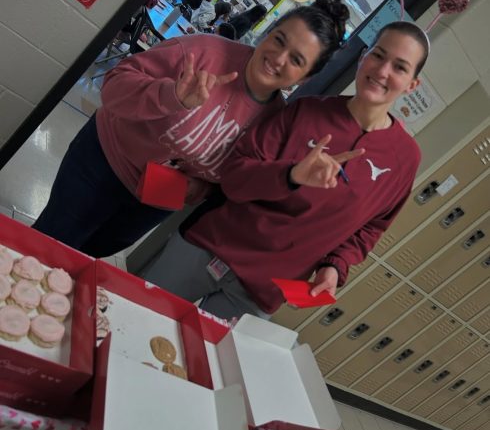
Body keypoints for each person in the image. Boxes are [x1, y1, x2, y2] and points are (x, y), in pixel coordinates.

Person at [145, 21, 428, 320]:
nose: (382, 71)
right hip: (206, 247)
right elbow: (235, 178)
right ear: (363, 57)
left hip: (261, 291)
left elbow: (370, 228)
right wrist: (290, 175)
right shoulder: (306, 111)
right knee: (131, 319)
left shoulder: (404, 159)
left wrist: (335, 266)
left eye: (399, 67)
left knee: (198, 362)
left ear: (412, 84)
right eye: (378, 55)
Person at [32, 0, 349, 258]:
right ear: (267, 32)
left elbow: (240, 174)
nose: (277, 58)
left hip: (153, 202)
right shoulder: (205, 53)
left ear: (305, 78)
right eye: (278, 39)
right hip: (104, 164)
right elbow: (114, 87)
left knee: (85, 260)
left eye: (296, 60)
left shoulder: (275, 121)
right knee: (45, 247)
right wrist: (172, 96)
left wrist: (205, 188)